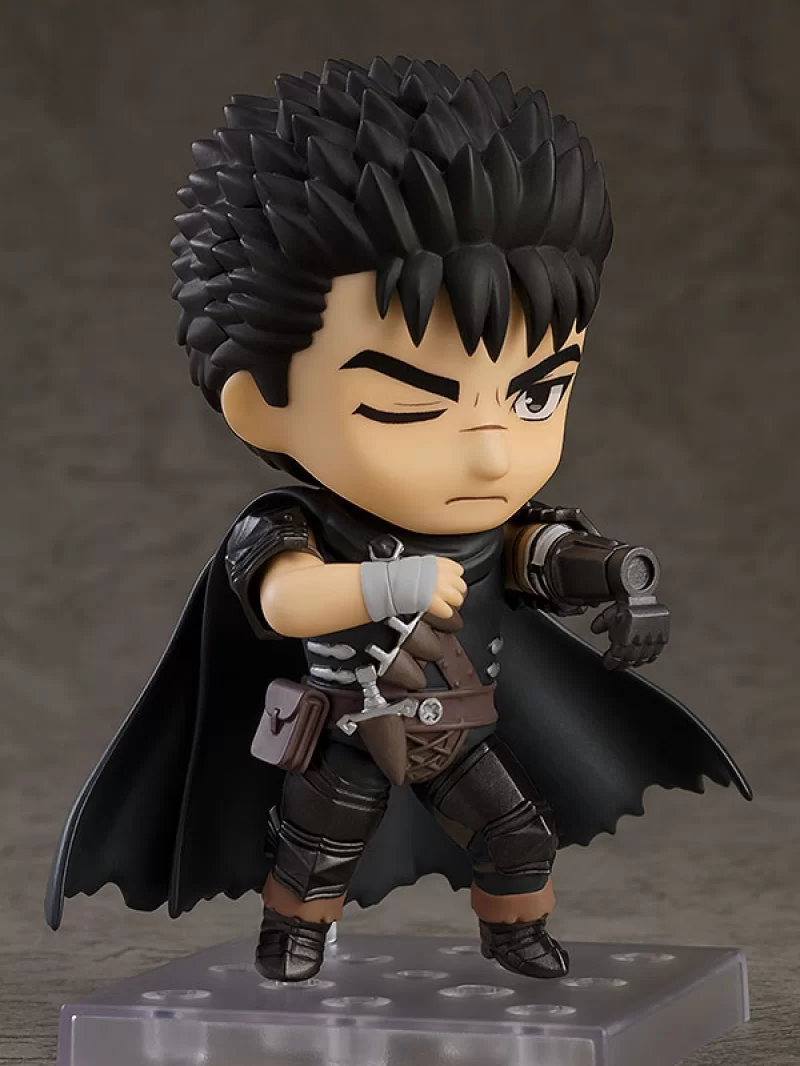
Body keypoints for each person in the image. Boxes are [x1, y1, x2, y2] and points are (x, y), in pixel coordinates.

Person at [46, 56, 751, 984]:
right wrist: (390, 583)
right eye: (414, 405)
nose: (491, 455)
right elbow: (287, 601)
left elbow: (541, 557)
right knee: (317, 850)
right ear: (261, 407)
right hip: (349, 722)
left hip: (459, 724)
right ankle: (292, 934)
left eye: (536, 397)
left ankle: (515, 934)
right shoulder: (291, 523)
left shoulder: (490, 521)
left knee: (517, 835)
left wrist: (619, 575)